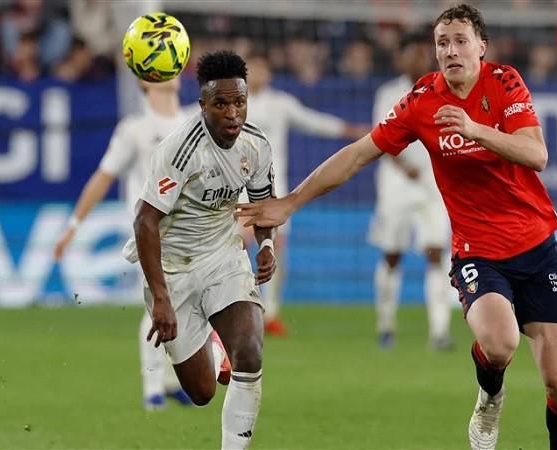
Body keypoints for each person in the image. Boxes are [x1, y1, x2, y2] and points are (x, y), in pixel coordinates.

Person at [237, 5, 557, 449]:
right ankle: (490, 396)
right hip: (479, 252)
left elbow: (536, 154)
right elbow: (357, 155)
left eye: (460, 41)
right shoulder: (422, 100)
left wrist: (475, 130)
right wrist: (290, 202)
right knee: (500, 344)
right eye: (442, 43)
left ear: (482, 46)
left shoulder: (505, 82)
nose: (451, 50)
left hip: (537, 248)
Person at [125, 50, 275, 450]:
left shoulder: (256, 145)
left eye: (239, 101)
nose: (232, 113)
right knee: (202, 392)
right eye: (221, 104)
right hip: (173, 268)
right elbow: (144, 222)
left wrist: (266, 244)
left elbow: (263, 205)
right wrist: (160, 297)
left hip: (223, 257)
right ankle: (211, 345)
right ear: (202, 105)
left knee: (250, 352)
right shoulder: (179, 150)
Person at [53, 78, 194, 411]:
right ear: (145, 79)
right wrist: (73, 225)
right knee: (160, 303)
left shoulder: (192, 124)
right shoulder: (134, 129)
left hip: (189, 231)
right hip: (151, 233)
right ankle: (153, 390)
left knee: (187, 308)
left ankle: (171, 381)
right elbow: (104, 176)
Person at [243, 50, 369, 336]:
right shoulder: (232, 103)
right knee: (236, 248)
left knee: (275, 249)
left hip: (273, 189)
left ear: (269, 73)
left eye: (262, 67)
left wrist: (350, 130)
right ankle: (241, 310)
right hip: (235, 188)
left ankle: (270, 313)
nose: (258, 73)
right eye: (253, 68)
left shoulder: (280, 104)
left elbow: (314, 121)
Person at [368, 32, 453, 350]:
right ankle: (386, 325)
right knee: (392, 255)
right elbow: (379, 138)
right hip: (396, 186)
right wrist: (403, 165)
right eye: (413, 53)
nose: (419, 59)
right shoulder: (388, 93)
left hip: (433, 185)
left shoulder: (444, 90)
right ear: (401, 58)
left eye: (423, 52)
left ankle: (440, 331)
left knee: (436, 253)